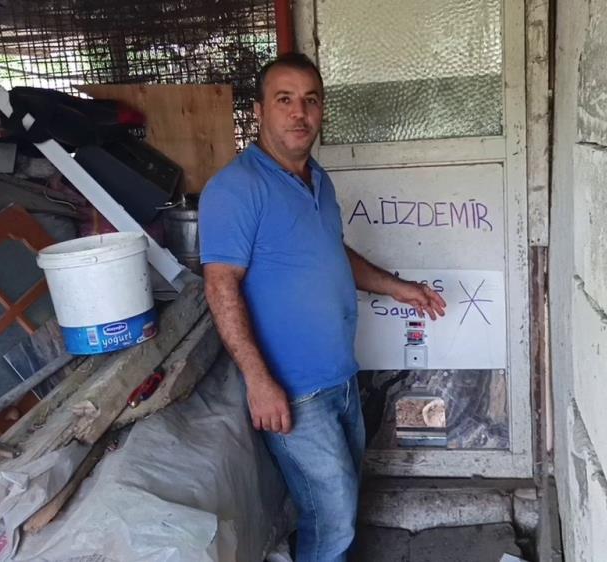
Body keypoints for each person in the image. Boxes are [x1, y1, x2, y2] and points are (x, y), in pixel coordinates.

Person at [199, 52, 446, 562]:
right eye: (284, 100)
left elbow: (332, 252)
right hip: (294, 388)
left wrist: (396, 287)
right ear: (259, 110)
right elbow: (220, 285)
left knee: (339, 504)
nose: (300, 113)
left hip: (340, 377)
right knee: (331, 518)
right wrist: (258, 380)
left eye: (310, 100)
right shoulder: (236, 189)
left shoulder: (318, 180)